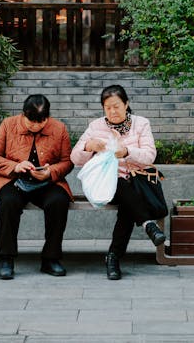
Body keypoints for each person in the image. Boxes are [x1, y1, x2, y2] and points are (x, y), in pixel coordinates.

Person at [71, 84, 166, 280]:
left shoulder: (141, 124)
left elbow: (150, 155)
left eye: (116, 106)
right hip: (106, 186)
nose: (112, 111)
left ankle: (113, 257)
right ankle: (148, 224)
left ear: (126, 104)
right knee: (121, 185)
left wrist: (127, 152)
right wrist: (88, 146)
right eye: (108, 108)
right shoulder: (96, 126)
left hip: (138, 183)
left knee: (127, 205)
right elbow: (75, 158)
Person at [0, 94, 73, 280]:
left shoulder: (59, 129)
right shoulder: (8, 125)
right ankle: (6, 258)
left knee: (59, 201)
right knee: (8, 202)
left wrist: (51, 172)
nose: (35, 125)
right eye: (31, 120)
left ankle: (51, 258)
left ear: (47, 117)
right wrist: (15, 166)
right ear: (23, 114)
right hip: (13, 180)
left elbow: (67, 162)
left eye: (41, 121)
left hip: (46, 182)